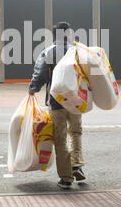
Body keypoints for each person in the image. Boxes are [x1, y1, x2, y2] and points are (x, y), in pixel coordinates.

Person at [29, 21, 86, 189]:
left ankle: (66, 177)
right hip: (76, 101)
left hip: (56, 101)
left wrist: (33, 89)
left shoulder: (48, 52)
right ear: (68, 34)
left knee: (60, 140)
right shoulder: (79, 51)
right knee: (75, 133)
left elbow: (39, 74)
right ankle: (77, 165)